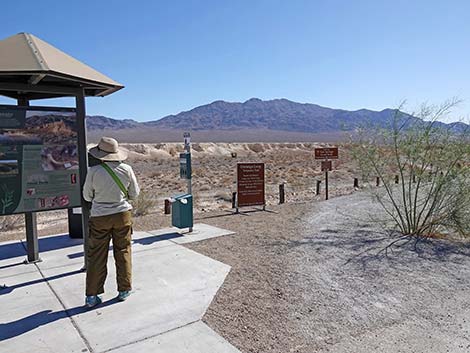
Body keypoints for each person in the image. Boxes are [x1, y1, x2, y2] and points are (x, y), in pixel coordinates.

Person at [83, 137, 140, 308]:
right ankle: (124, 289)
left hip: (99, 217)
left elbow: (87, 196)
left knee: (96, 256)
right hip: (122, 215)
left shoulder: (93, 171)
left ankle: (92, 295)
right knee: (123, 251)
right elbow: (134, 194)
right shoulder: (127, 169)